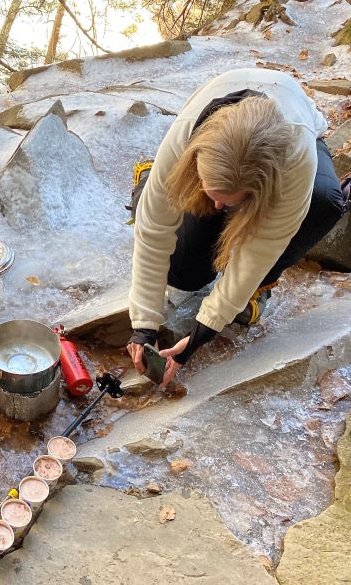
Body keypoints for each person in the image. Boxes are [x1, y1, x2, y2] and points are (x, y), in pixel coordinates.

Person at [126, 67, 346, 387]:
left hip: (291, 141)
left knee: (324, 202)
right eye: (213, 196)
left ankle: (259, 287)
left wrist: (204, 331)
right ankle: (150, 182)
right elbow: (152, 234)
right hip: (207, 161)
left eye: (227, 202)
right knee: (184, 274)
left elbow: (262, 249)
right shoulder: (183, 142)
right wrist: (143, 324)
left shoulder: (296, 160)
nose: (218, 206)